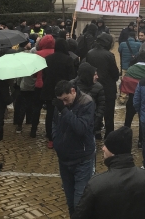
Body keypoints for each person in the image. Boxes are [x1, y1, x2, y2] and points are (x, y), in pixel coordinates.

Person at [72, 126, 145, 219]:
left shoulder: (96, 184)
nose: (103, 148)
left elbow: (80, 215)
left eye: (107, 146)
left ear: (114, 151)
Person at [52, 79, 95, 216]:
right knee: (71, 203)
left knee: (79, 204)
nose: (64, 103)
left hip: (82, 160)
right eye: (61, 100)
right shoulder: (60, 105)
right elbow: (54, 123)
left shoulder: (87, 102)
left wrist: (64, 110)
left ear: (73, 91)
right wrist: (56, 139)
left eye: (66, 99)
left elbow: (81, 128)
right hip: (64, 160)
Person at [85, 33, 120, 138]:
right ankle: (109, 135)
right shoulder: (109, 55)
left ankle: (97, 132)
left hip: (94, 86)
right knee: (109, 114)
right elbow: (115, 73)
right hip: (108, 88)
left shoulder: (90, 53)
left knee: (95, 111)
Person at [72, 62, 105, 141]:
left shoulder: (98, 87)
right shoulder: (72, 86)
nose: (97, 77)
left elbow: (101, 106)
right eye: (94, 74)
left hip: (91, 124)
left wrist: (96, 121)